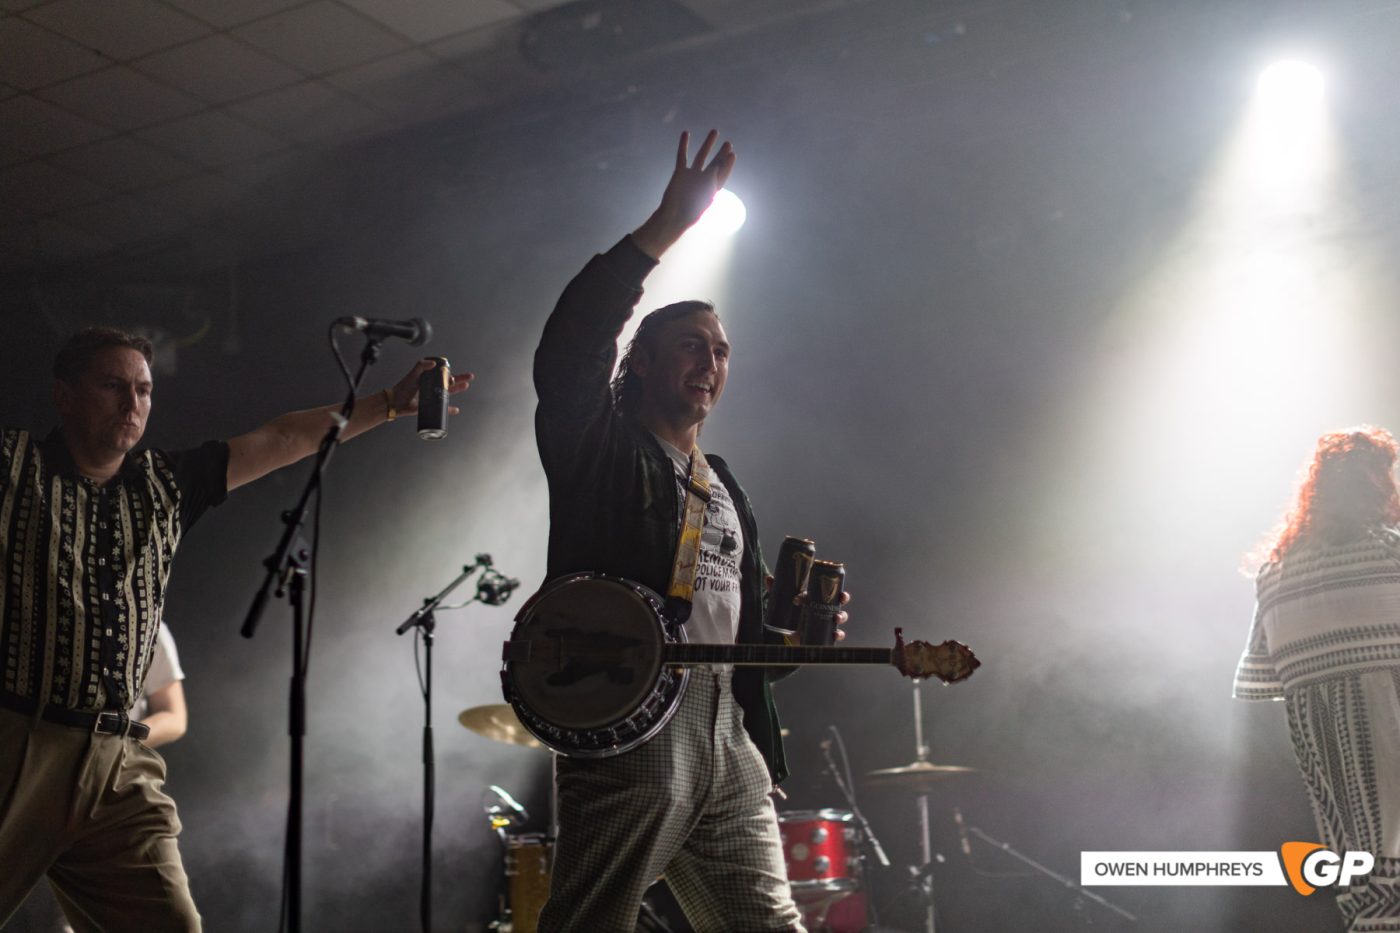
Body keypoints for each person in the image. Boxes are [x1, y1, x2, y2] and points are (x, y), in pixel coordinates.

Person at [0, 327, 472, 931]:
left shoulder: (167, 483)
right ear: (64, 396)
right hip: (22, 742)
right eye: (112, 386)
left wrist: (384, 405)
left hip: (117, 761)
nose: (131, 403)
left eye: (143, 390)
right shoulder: (14, 467)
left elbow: (282, 436)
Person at [531, 130, 844, 932]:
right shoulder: (599, 447)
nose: (710, 362)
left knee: (770, 924)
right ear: (638, 362)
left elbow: (736, 640)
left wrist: (797, 641)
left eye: (721, 351)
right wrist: (664, 229)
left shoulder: (725, 483)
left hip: (726, 736)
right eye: (690, 347)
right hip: (634, 719)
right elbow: (568, 345)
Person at [1235, 426, 1400, 930]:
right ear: (1377, 484)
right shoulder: (1392, 554)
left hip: (1333, 774)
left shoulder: (1275, 575)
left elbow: (1261, 686)